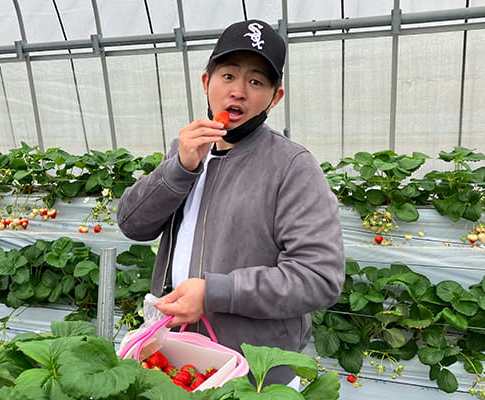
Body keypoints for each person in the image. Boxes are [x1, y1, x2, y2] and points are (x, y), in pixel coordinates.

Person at [117, 19, 345, 387]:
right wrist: (179, 169)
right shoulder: (186, 150)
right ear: (206, 82)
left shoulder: (291, 166)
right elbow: (132, 224)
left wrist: (214, 293)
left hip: (254, 373)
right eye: (228, 76)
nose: (238, 91)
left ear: (275, 97)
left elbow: (318, 277)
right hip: (176, 356)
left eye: (256, 82)